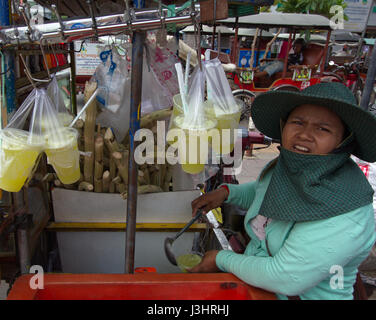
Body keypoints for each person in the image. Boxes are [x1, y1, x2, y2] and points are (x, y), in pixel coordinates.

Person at [190, 82, 376, 300]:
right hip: (257, 288)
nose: (305, 135)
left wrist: (219, 259)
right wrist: (226, 193)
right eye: (297, 122)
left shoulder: (348, 213)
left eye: (323, 128)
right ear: (283, 125)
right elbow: (264, 191)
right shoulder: (287, 168)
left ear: (344, 140)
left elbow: (286, 277)